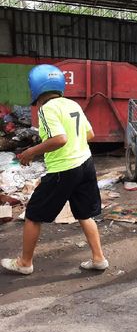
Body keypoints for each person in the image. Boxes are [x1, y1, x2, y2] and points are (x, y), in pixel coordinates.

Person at [1, 64, 108, 275]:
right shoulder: (72, 104)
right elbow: (90, 135)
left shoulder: (46, 109)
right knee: (84, 213)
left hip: (63, 170)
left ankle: (24, 263)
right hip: (85, 164)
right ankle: (99, 259)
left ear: (35, 88)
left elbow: (59, 139)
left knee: (33, 214)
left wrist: (31, 152)